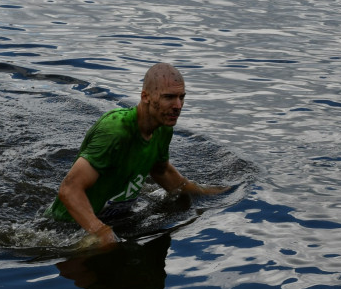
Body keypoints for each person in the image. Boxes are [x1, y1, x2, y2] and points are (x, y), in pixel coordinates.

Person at [47, 63, 226, 247]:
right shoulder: (115, 130)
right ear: (145, 96)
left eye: (182, 97)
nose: (178, 106)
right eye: (169, 97)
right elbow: (69, 190)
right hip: (67, 228)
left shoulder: (163, 128)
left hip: (117, 221)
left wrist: (218, 193)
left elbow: (163, 172)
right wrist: (101, 232)